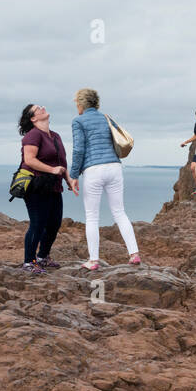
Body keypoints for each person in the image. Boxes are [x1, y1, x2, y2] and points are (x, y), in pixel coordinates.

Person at [68, 88, 140, 270]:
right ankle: (134, 254)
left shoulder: (78, 121)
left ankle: (93, 260)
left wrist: (73, 175)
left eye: (76, 102)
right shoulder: (105, 117)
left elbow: (78, 150)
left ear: (82, 103)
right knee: (120, 211)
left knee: (92, 216)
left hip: (93, 169)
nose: (76, 105)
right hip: (114, 167)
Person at [17, 103, 67, 274]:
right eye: (38, 108)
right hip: (36, 187)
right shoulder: (33, 135)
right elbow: (29, 160)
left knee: (54, 224)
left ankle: (42, 257)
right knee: (37, 224)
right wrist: (52, 170)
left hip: (53, 187)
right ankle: (28, 262)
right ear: (33, 118)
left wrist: (69, 180)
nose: (43, 107)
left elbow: (62, 162)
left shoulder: (55, 136)